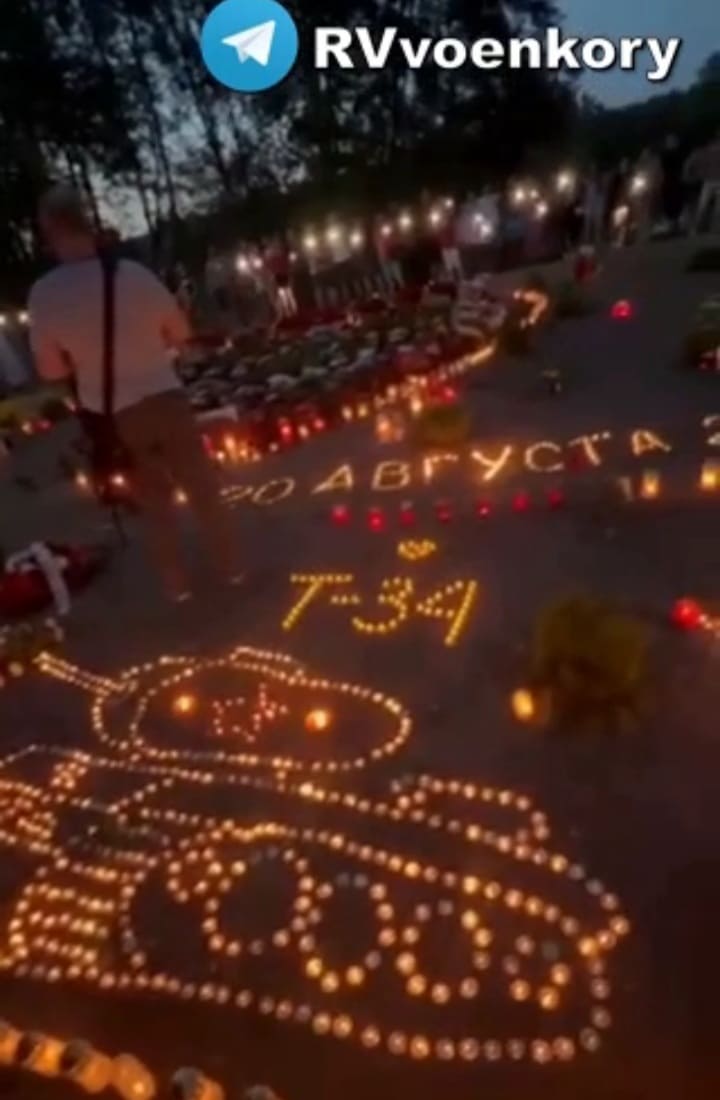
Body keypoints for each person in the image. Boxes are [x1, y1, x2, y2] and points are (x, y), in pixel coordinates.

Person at [28, 185, 241, 604]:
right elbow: (180, 332)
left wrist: (81, 357)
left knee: (153, 502)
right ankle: (231, 567)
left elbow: (51, 370)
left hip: (115, 414)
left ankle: (177, 586)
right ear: (87, 221)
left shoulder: (45, 295)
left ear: (50, 232)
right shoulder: (133, 274)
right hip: (165, 395)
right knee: (202, 488)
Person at [685, 131, 720, 235]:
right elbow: (690, 162)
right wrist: (690, 174)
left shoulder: (704, 152)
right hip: (709, 181)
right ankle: (698, 228)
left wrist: (690, 174)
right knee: (704, 206)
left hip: (711, 181)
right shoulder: (704, 152)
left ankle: (711, 228)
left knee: (706, 206)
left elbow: (690, 163)